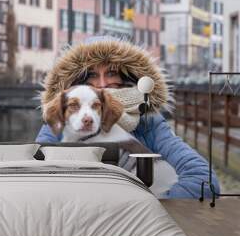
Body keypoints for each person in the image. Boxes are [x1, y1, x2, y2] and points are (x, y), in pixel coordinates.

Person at [36, 37, 220, 199]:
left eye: (111, 72)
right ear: (78, 84)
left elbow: (203, 179)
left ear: (127, 77)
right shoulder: (60, 123)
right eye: (91, 75)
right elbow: (37, 175)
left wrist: (155, 210)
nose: (102, 83)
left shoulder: (149, 121)